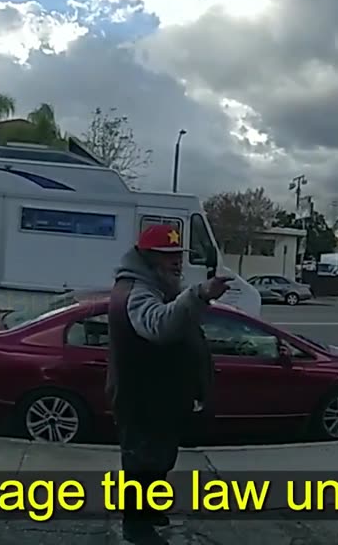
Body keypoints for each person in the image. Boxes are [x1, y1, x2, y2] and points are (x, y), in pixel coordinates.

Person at [107, 222, 232, 544]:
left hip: (160, 398)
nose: (177, 261)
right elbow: (158, 326)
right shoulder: (137, 290)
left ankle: (150, 511)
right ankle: (136, 527)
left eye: (179, 254)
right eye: (168, 255)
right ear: (149, 258)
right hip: (142, 399)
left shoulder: (161, 286)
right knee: (140, 464)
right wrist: (201, 294)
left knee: (159, 459)